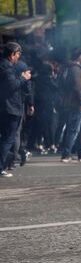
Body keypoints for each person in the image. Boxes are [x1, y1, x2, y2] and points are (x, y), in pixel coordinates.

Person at [0, 42, 32, 177]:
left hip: (6, 106)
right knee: (8, 138)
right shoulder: (7, 68)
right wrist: (23, 78)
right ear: (12, 54)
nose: (19, 57)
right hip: (9, 107)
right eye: (18, 54)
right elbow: (11, 86)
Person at [58, 48, 81, 163]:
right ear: (80, 56)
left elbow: (59, 84)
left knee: (76, 128)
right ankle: (66, 154)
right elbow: (77, 86)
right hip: (75, 103)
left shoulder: (64, 67)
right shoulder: (75, 68)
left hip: (65, 102)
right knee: (73, 129)